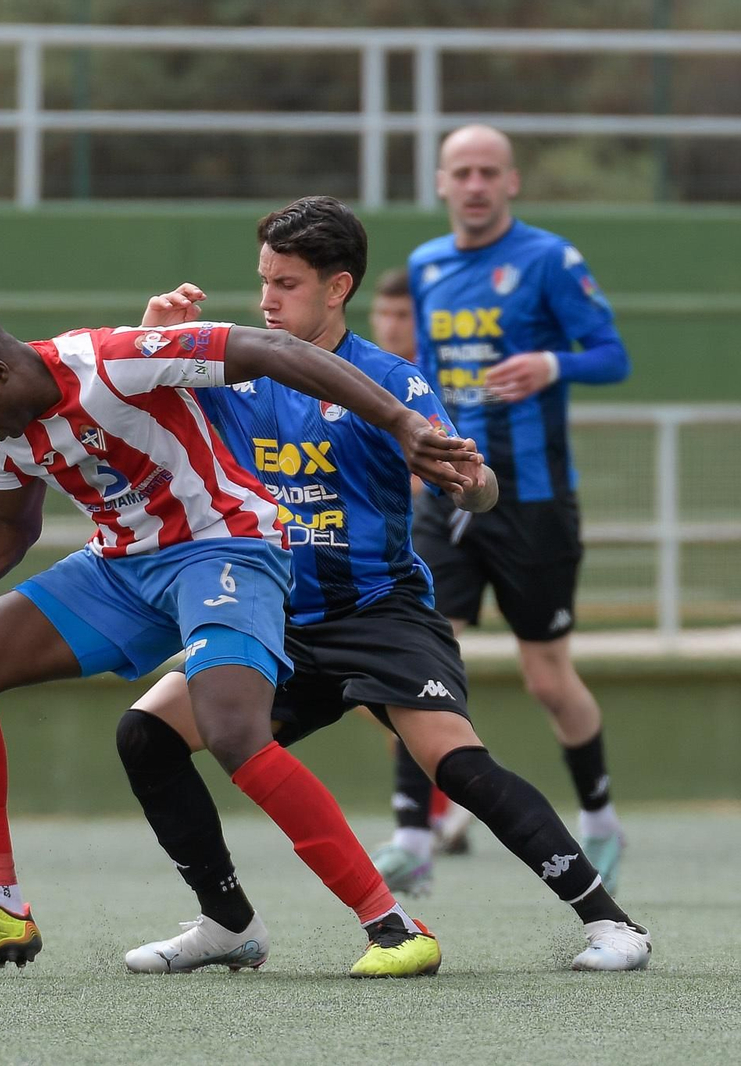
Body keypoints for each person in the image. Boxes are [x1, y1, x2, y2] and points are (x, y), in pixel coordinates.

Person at [0, 301, 480, 977]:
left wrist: (405, 422)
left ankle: (394, 926)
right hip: (121, 567)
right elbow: (7, 530)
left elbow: (268, 348)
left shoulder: (113, 362)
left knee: (231, 730)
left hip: (223, 547)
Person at [114, 196, 650, 977]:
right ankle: (227, 923)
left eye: (287, 284)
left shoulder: (389, 383)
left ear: (337, 288)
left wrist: (474, 485)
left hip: (379, 613)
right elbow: (129, 390)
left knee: (459, 767)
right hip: (275, 618)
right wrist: (147, 327)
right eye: (263, 279)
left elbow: (474, 483)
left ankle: (613, 924)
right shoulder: (232, 368)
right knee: (145, 735)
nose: (266, 299)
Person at [377, 124, 633, 897]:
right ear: (442, 182)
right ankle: (412, 837)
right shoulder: (425, 264)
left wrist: (554, 362)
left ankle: (599, 819)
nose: (477, 184)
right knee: (416, 659)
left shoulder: (550, 260)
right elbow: (427, 371)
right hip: (449, 492)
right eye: (463, 172)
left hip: (534, 500)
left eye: (490, 171)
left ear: (512, 182)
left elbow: (613, 354)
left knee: (547, 677)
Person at [371, 264, 476, 855]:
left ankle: (429, 812)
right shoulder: (349, 371)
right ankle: (451, 791)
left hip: (431, 547)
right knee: (378, 695)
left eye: (404, 314)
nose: (392, 325)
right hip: (359, 560)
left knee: (407, 686)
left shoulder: (428, 382)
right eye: (384, 313)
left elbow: (452, 470)